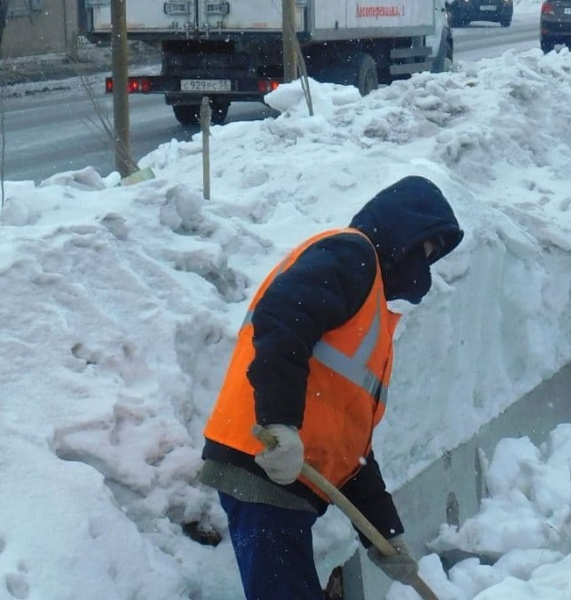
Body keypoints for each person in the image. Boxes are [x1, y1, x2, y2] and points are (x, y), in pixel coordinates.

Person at [198, 175, 464, 600]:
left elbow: (349, 447)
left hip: (287, 476)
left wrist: (385, 533)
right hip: (263, 460)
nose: (423, 267)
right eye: (425, 249)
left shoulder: (370, 312)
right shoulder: (351, 255)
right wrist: (280, 423)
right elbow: (282, 318)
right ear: (403, 233)